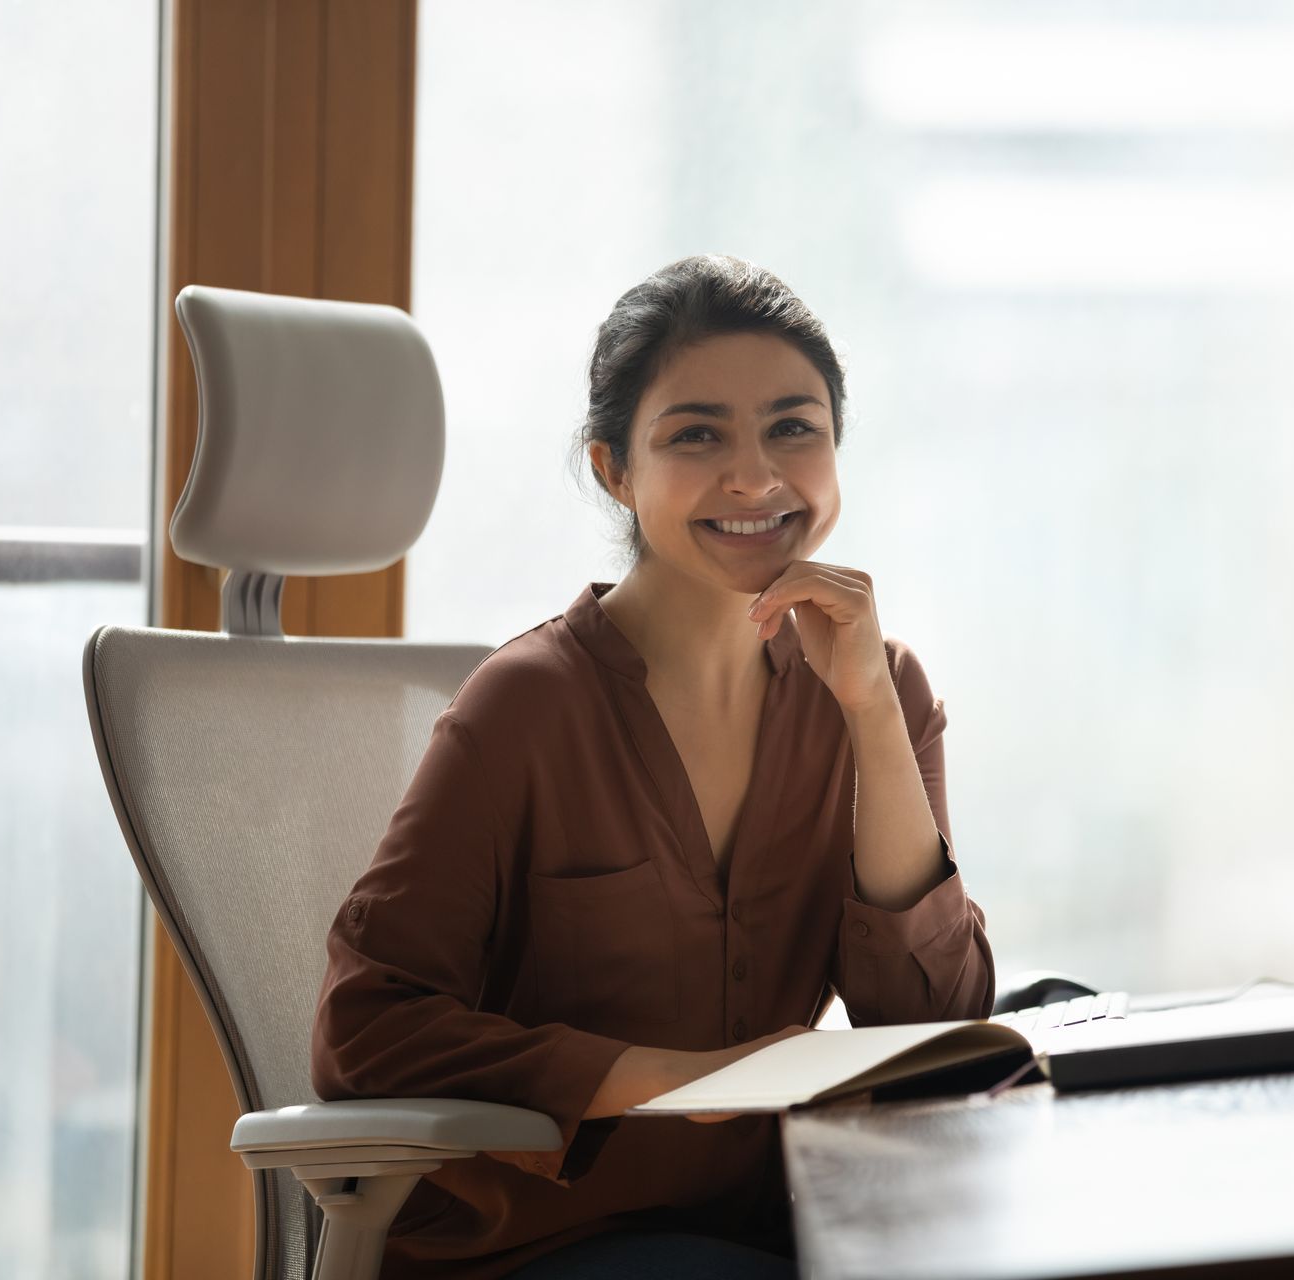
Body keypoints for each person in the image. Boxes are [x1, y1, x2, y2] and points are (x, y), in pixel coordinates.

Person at [310, 254, 997, 1279]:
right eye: (697, 433)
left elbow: (933, 1029)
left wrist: (867, 711)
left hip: (784, 1229)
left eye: (793, 427)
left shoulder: (877, 685)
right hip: (542, 1246)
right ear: (613, 470)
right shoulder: (525, 706)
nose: (756, 476)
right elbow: (364, 1031)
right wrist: (669, 1077)